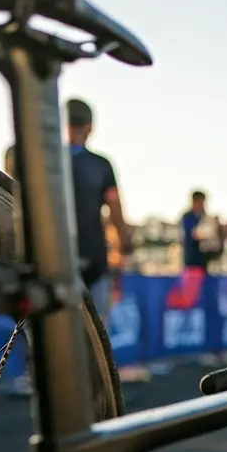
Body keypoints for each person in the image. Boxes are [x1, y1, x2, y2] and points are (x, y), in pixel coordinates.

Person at [65, 98, 131, 319]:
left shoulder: (44, 163)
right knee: (97, 337)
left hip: (51, 259)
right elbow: (115, 211)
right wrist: (123, 243)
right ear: (89, 127)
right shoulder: (101, 166)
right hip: (92, 259)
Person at [167, 190, 218, 311]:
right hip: (192, 264)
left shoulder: (204, 217)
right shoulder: (187, 217)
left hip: (203, 264)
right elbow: (196, 234)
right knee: (189, 299)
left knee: (201, 300)